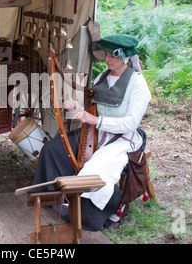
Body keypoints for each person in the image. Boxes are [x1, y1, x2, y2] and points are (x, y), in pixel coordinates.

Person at [33, 34, 151, 230]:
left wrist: (95, 120)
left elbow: (130, 124)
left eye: (111, 56)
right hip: (97, 132)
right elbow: (93, 108)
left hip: (122, 140)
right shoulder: (102, 77)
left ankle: (113, 208)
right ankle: (56, 198)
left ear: (124, 57)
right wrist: (77, 108)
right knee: (53, 149)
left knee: (94, 173)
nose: (106, 59)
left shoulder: (138, 85)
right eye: (105, 55)